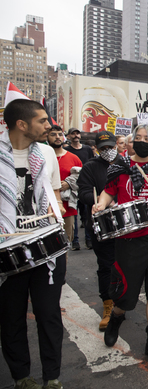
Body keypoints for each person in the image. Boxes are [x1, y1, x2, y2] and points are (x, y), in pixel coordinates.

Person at [92, 124, 148, 360]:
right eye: (136, 137)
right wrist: (101, 204)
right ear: (130, 142)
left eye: (145, 138)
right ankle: (116, 318)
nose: (140, 141)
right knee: (126, 292)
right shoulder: (120, 167)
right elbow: (108, 192)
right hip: (130, 238)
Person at [0, 99, 67, 389]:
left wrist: (58, 209)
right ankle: (21, 377)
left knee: (49, 315)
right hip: (7, 252)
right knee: (11, 319)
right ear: (21, 125)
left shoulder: (46, 153)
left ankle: (52, 377)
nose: (49, 126)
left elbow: (54, 193)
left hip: (46, 247)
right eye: (42, 121)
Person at [77, 130, 120, 331]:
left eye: (111, 147)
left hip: (126, 225)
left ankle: (122, 303)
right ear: (96, 149)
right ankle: (108, 305)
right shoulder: (90, 167)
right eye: (103, 148)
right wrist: (97, 202)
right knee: (106, 266)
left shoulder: (126, 164)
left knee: (127, 265)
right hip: (101, 225)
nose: (108, 151)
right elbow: (84, 192)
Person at [48, 126, 83, 243]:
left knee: (65, 244)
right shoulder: (41, 157)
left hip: (67, 209)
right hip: (46, 209)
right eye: (53, 134)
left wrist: (69, 184)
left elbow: (82, 180)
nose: (57, 137)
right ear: (47, 137)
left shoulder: (74, 158)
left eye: (59, 134)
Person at [65, 128, 95, 250]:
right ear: (68, 136)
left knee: (87, 213)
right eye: (73, 133)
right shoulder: (67, 150)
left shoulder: (87, 149)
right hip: (72, 186)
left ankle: (89, 240)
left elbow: (92, 163)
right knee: (74, 213)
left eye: (77, 133)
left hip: (86, 184)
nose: (76, 135)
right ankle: (75, 241)